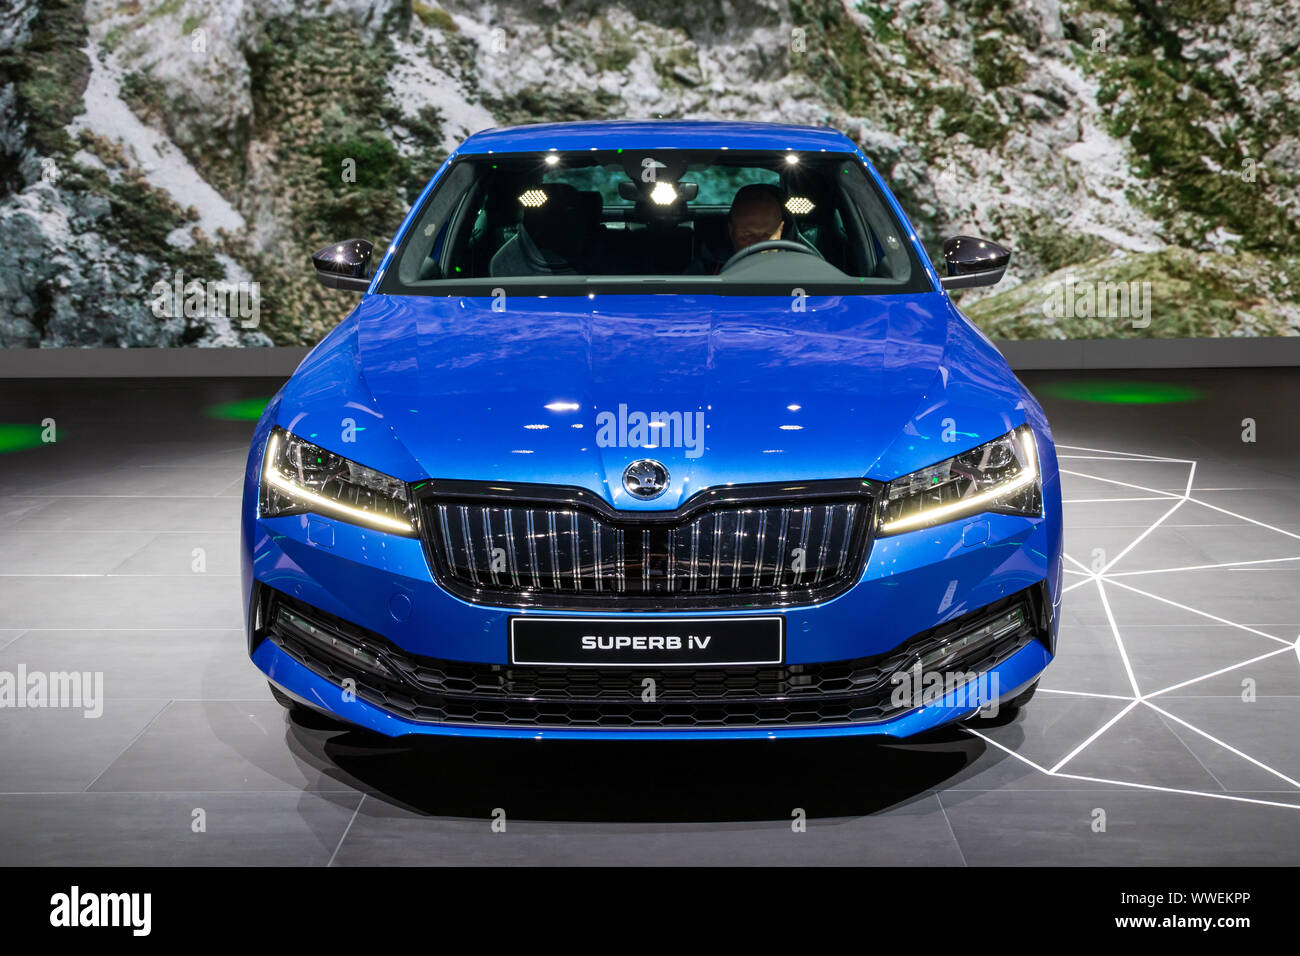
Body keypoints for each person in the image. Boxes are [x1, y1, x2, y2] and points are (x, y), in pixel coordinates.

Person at [688, 182, 787, 274]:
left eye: (767, 236)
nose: (759, 246)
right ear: (731, 232)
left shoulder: (798, 265)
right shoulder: (706, 270)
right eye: (747, 236)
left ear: (781, 230)